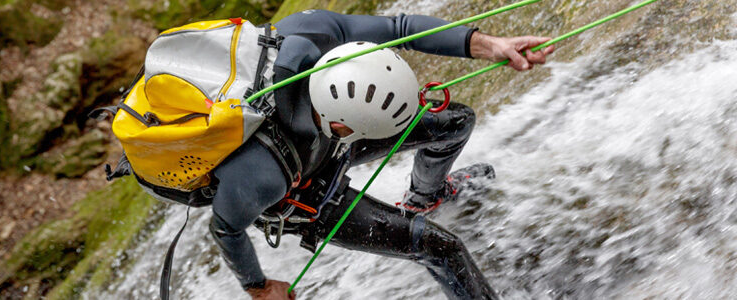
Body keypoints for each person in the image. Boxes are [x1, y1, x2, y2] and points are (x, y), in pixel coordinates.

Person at [208, 10, 555, 300]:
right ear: (345, 128)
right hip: (303, 187)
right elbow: (226, 227)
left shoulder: (315, 32)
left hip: (327, 131)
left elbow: (399, 29)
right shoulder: (260, 174)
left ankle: (425, 198)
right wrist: (258, 286)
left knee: (456, 122)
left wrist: (488, 45)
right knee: (441, 247)